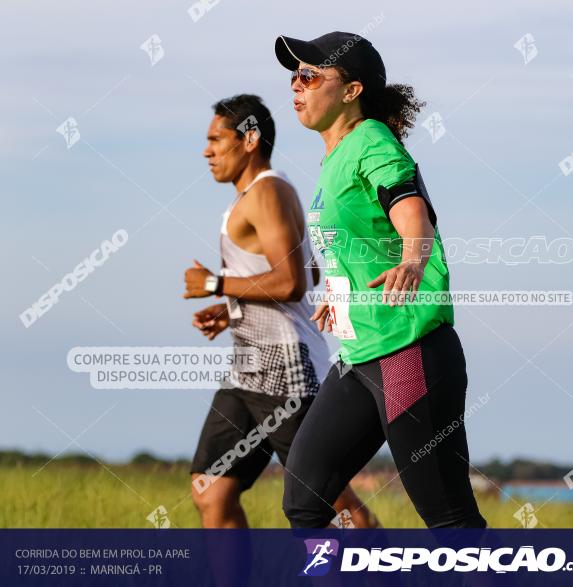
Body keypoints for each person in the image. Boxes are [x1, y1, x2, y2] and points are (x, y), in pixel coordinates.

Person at [274, 32, 487, 528]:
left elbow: (409, 208)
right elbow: (360, 244)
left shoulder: (372, 141)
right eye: (293, 76)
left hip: (406, 352)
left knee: (450, 519)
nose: (296, 85)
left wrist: (414, 259)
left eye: (309, 75)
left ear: (351, 90)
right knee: (305, 497)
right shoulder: (337, 157)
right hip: (359, 355)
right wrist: (337, 294)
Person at [184, 94, 377, 528]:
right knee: (212, 489)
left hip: (285, 368)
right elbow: (306, 277)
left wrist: (215, 283)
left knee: (327, 498)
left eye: (216, 139)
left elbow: (290, 281)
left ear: (249, 139)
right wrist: (230, 306)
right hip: (247, 368)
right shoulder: (261, 193)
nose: (207, 151)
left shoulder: (267, 193)